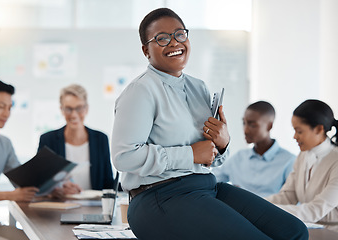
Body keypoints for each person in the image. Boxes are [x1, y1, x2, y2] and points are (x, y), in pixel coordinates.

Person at [111, 8, 308, 240]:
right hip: (159, 196)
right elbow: (124, 157)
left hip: (207, 186)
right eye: (162, 38)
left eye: (180, 34)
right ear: (146, 50)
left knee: (294, 232)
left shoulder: (199, 88)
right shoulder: (140, 92)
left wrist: (222, 144)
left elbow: (209, 157)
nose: (174, 43)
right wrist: (189, 154)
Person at [0, 79, 38, 240]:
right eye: (1, 106)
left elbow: (22, 181)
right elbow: (14, 193)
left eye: (10, 108)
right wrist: (11, 195)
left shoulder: (5, 144)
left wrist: (55, 184)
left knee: (31, 238)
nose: (6, 113)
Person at [266, 99, 338, 232]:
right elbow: (287, 196)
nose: (294, 136)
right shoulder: (304, 155)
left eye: (299, 131)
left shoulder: (336, 161)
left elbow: (315, 210)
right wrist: (255, 203)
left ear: (319, 129)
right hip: (311, 230)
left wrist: (264, 210)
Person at [38, 84, 114, 197]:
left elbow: (108, 183)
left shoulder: (101, 139)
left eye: (79, 108)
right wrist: (56, 190)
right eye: (68, 109)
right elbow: (39, 183)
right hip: (59, 207)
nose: (74, 114)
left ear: (86, 108)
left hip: (94, 207)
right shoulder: (48, 140)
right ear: (61, 110)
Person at [212, 101, 296, 197]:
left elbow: (292, 201)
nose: (246, 130)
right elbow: (212, 180)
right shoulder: (239, 157)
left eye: (252, 125)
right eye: (244, 123)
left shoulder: (289, 161)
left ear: (269, 126)